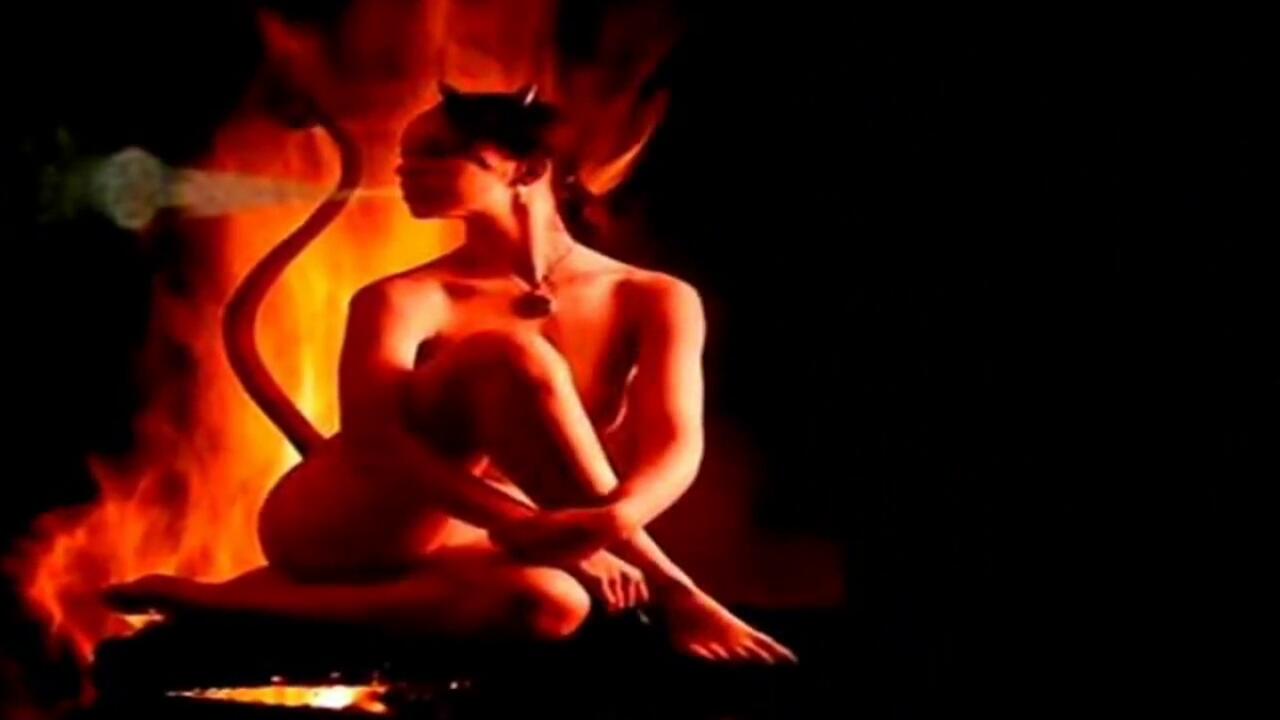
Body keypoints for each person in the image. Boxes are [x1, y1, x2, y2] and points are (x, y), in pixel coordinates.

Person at [106, 86, 796, 665]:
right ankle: (678, 593)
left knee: (547, 605)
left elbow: (676, 444)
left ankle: (234, 604)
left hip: (469, 533)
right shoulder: (401, 298)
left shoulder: (654, 297)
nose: (406, 170)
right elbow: (375, 446)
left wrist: (611, 521)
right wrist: (545, 530)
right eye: (406, 155)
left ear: (527, 170)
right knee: (511, 355)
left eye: (436, 153)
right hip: (345, 517)